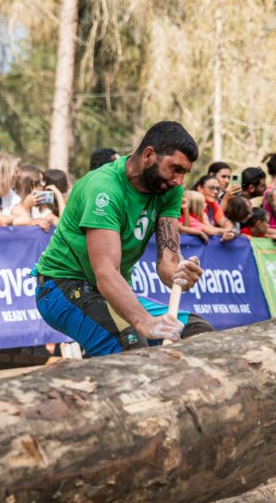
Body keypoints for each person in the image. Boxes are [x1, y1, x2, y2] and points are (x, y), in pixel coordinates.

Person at [32, 122, 210, 356]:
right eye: (174, 168)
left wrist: (180, 274)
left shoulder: (170, 190)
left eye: (184, 173)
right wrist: (144, 321)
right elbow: (106, 273)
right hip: (62, 286)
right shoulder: (104, 188)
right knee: (132, 345)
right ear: (148, 155)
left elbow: (168, 263)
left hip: (109, 289)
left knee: (198, 332)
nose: (179, 181)